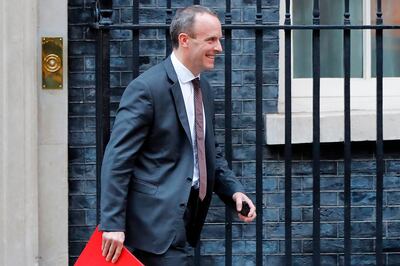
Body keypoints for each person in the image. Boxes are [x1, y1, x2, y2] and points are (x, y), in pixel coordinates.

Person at [100, 5, 256, 265]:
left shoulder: (203, 88)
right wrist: (112, 223)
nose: (219, 48)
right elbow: (117, 159)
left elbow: (208, 152)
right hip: (154, 224)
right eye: (211, 40)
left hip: (189, 217)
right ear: (184, 40)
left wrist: (233, 191)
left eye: (219, 39)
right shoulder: (146, 89)